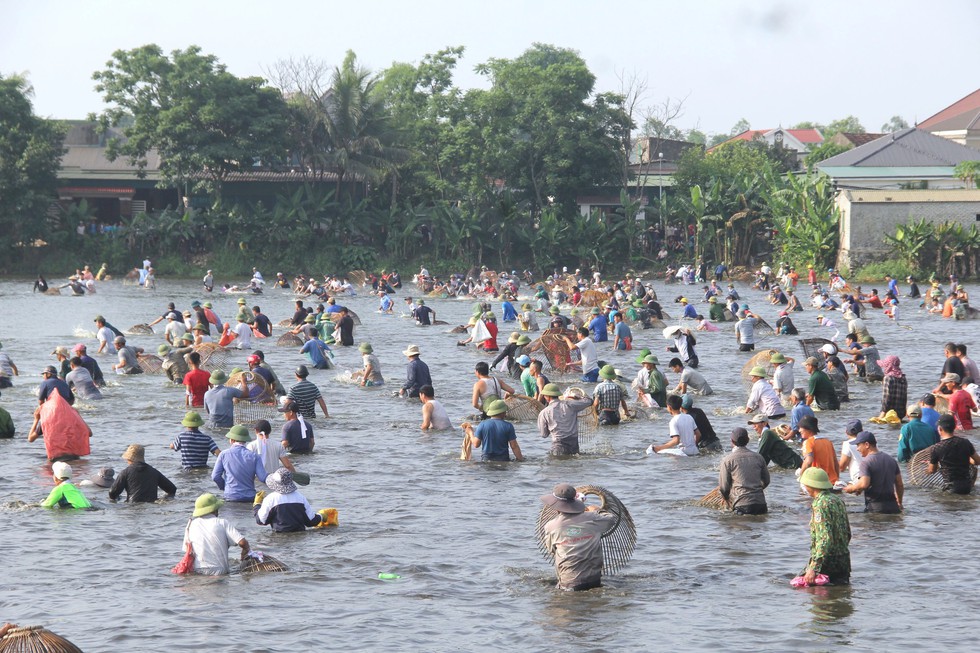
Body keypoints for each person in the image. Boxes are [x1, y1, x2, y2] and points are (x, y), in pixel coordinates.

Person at [540, 483, 615, 591]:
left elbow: (552, 550)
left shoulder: (551, 526)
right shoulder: (593, 518)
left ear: (556, 507)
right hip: (594, 579)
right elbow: (611, 519)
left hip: (569, 582)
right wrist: (596, 510)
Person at [798, 468, 851, 585]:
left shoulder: (820, 504)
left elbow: (824, 539)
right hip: (843, 561)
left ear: (811, 485)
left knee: (817, 599)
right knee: (841, 599)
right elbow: (847, 532)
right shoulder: (837, 500)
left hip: (826, 564)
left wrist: (814, 568)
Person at [182, 493, 250, 575]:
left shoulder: (190, 525)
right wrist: (245, 551)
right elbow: (242, 542)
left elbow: (188, 551)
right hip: (219, 572)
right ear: (214, 509)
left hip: (197, 570)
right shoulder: (221, 522)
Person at [253, 467, 331, 532]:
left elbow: (261, 521)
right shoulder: (300, 497)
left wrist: (257, 504)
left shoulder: (270, 499)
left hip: (279, 538)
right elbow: (311, 521)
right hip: (300, 538)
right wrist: (321, 516)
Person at [843, 432, 903, 513]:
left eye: (858, 445)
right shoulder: (891, 460)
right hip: (893, 507)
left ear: (867, 444)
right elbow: (899, 484)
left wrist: (852, 488)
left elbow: (864, 484)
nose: (857, 449)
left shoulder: (866, 462)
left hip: (876, 508)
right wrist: (899, 502)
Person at [719, 427, 770, 515]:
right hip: (761, 504)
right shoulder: (759, 457)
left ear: (732, 441)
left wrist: (727, 499)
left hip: (741, 505)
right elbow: (766, 481)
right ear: (748, 440)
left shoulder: (727, 460)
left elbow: (724, 488)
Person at [212, 425, 268, 501]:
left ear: (231, 440)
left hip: (230, 497)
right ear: (245, 440)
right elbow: (263, 477)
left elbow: (215, 476)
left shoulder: (224, 454)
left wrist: (224, 487)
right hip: (250, 498)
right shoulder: (255, 456)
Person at [927, 414, 980, 494]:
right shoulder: (965, 442)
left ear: (940, 429)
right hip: (967, 487)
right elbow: (977, 461)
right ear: (954, 427)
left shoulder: (936, 448)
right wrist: (967, 459)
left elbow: (931, 470)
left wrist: (931, 466)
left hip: (951, 488)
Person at [109, 444, 177, 503]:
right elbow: (172, 489)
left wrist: (118, 498)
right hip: (151, 507)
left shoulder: (125, 472)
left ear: (129, 459)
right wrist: (165, 499)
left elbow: (112, 493)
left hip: (132, 507)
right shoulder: (154, 472)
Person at [538, 384, 593, 456]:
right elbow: (589, 401)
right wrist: (576, 396)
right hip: (573, 444)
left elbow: (544, 435)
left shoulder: (544, 413)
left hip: (558, 445)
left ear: (547, 397)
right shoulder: (570, 404)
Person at [799, 415, 840, 485]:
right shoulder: (828, 442)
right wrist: (837, 479)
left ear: (808, 429)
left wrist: (801, 476)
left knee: (803, 495)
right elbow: (835, 463)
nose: (799, 430)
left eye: (801, 428)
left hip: (817, 482)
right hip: (832, 482)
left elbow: (808, 461)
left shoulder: (808, 442)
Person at [877, 355, 908, 421]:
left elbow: (886, 397)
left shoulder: (888, 378)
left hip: (889, 413)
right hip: (900, 413)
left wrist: (883, 412)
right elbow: (904, 397)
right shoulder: (903, 377)